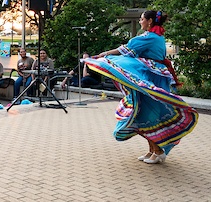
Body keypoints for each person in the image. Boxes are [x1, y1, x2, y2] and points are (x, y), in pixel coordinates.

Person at [85, 9, 199, 165]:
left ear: (149, 21)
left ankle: (159, 151)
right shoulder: (157, 37)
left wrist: (104, 54)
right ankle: (153, 150)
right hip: (153, 78)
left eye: (141, 19)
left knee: (148, 114)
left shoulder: (149, 37)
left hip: (151, 80)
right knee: (145, 113)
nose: (140, 21)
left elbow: (125, 50)